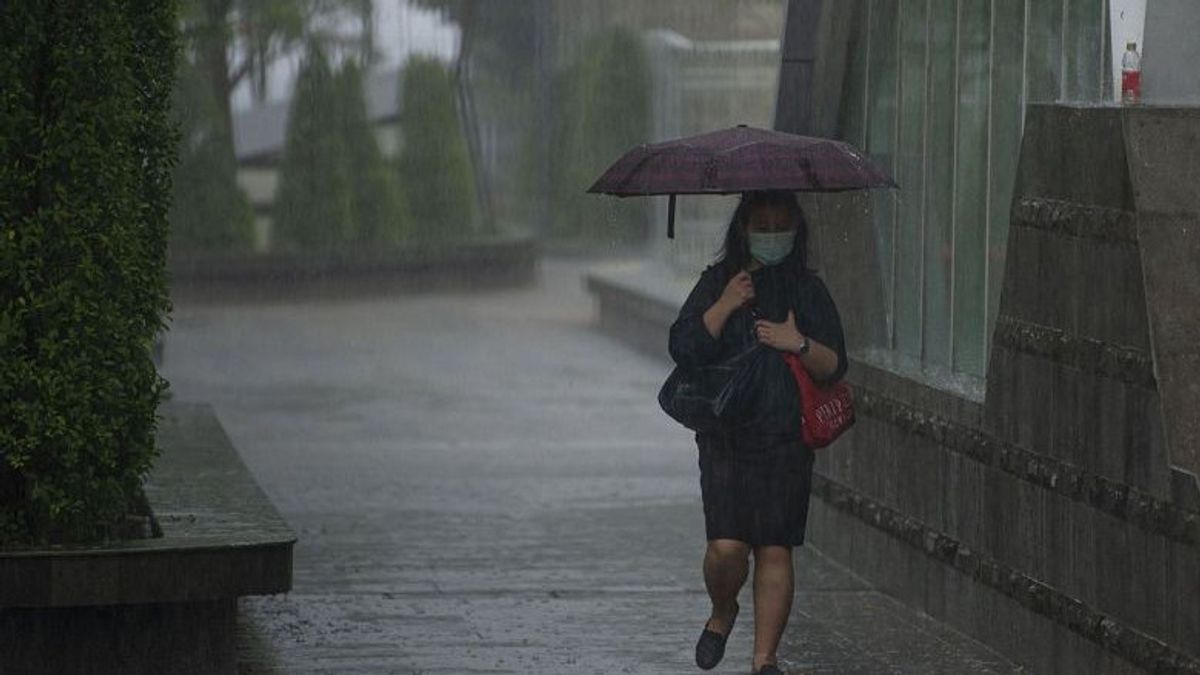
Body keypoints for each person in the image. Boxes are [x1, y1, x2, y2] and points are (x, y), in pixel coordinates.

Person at [667, 190, 847, 675]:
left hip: (785, 438)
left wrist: (798, 342)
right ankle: (724, 610)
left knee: (774, 546)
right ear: (743, 229)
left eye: (780, 224)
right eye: (762, 225)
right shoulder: (718, 282)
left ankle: (764, 659)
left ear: (796, 228)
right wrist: (725, 304)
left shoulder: (807, 290)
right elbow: (683, 345)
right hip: (725, 437)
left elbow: (834, 365)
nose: (772, 234)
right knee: (726, 548)